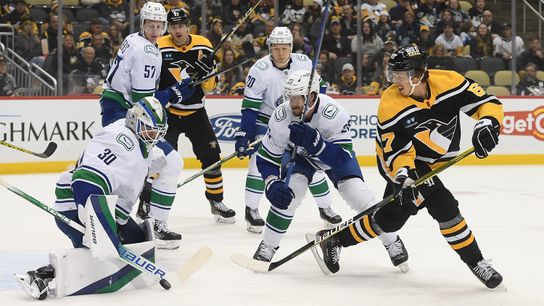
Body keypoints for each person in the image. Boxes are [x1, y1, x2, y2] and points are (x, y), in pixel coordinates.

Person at [314, 45, 504, 289]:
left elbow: (486, 102)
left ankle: (335, 239)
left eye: (399, 76)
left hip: (432, 162)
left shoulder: (450, 81)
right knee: (444, 206)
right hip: (400, 162)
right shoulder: (391, 102)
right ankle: (477, 262)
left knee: (390, 220)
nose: (394, 81)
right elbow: (397, 151)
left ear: (417, 75)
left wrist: (487, 123)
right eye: (391, 75)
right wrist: (403, 177)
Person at [251, 70, 407, 273]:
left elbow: (342, 158)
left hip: (332, 159)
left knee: (362, 198)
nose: (293, 102)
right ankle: (268, 246)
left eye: (299, 97)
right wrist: (271, 182)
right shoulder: (281, 116)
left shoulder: (334, 113)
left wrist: (317, 144)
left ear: (313, 96)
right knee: (289, 194)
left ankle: (392, 241)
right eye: (290, 96)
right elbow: (266, 157)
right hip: (300, 158)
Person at [15, 97, 168, 300]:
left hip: (107, 207)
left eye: (158, 132)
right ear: (133, 120)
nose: (154, 136)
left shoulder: (141, 143)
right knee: (98, 257)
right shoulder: (118, 139)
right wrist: (99, 226)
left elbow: (128, 177)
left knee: (138, 243)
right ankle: (41, 277)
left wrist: (147, 168)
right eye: (150, 130)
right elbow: (86, 180)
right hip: (76, 204)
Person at [99, 2, 193, 249]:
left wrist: (174, 88)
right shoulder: (148, 52)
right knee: (169, 161)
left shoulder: (133, 40)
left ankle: (127, 215)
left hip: (116, 109)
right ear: (143, 24)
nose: (154, 30)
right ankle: (151, 222)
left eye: (159, 25)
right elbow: (145, 104)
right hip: (125, 114)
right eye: (150, 25)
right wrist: (174, 93)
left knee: (145, 163)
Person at [235, 26, 342, 234]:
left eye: (284, 48)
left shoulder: (304, 63)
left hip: (299, 120)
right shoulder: (259, 69)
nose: (280, 53)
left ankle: (325, 207)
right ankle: (252, 209)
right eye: (276, 48)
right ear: (269, 48)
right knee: (258, 163)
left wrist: (311, 118)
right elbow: (250, 107)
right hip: (267, 122)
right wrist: (244, 133)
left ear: (291, 48)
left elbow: (318, 92)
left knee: (312, 164)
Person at [143, 8, 236, 223]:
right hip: (168, 113)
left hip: (196, 112)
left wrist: (207, 72)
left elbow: (210, 87)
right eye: (173, 26)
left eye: (181, 25)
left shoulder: (203, 44)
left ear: (188, 26)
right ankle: (147, 202)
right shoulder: (158, 46)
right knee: (159, 161)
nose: (177, 30)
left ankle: (216, 201)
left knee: (212, 157)